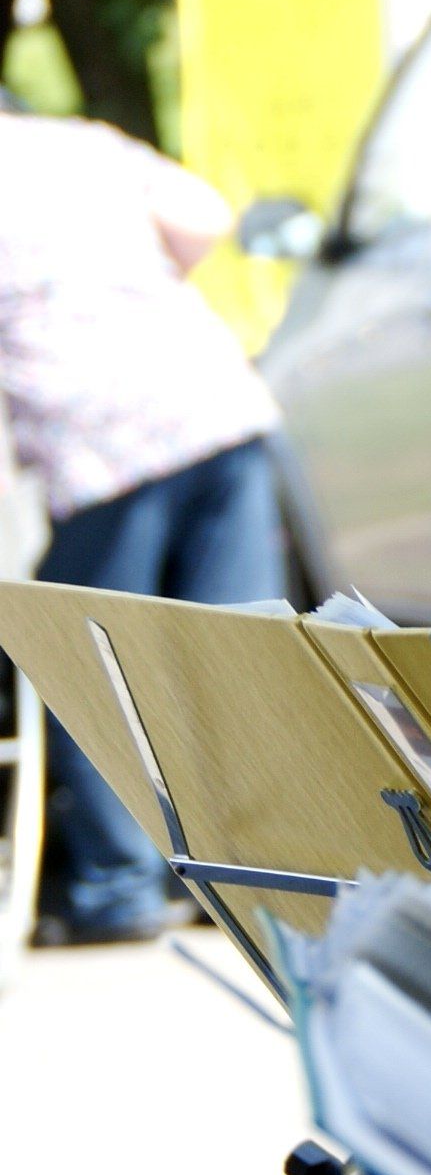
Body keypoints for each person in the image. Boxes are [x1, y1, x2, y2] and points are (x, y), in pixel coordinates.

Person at [0, 105, 288, 944]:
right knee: (234, 650)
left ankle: (117, 885)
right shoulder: (82, 144)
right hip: (211, 399)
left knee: (94, 659)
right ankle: (258, 877)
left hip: (100, 435)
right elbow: (203, 216)